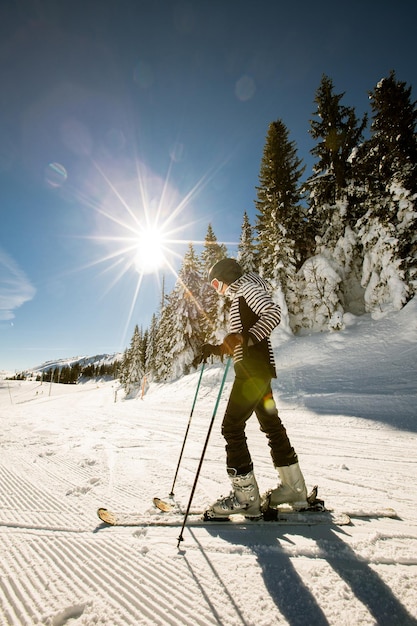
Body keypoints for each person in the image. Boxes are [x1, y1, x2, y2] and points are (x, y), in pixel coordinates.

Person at [199, 258, 308, 519]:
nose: (217, 289)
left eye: (216, 283)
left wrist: (245, 338)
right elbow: (241, 340)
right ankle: (294, 489)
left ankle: (246, 499)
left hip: (252, 373)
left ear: (227, 276)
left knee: (231, 427)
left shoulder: (246, 287)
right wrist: (218, 348)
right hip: (257, 371)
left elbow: (272, 314)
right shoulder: (242, 294)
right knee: (271, 426)